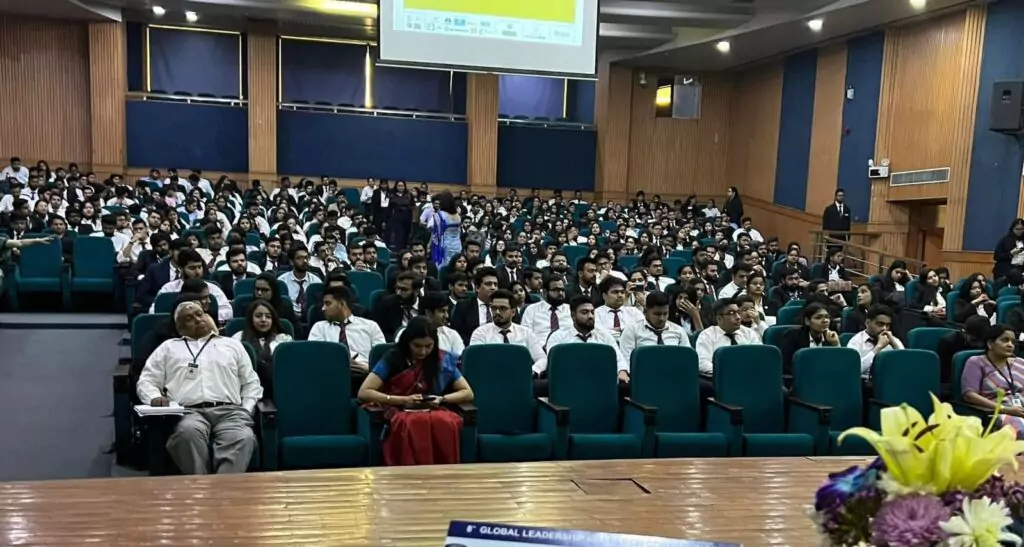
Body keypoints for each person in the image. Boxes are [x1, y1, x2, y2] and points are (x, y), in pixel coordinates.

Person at [136, 301, 262, 475]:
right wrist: (153, 397)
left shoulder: (231, 345)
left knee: (243, 437)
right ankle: (200, 488)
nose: (198, 319)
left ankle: (222, 490)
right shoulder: (168, 348)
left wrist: (246, 409)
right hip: (188, 412)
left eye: (200, 314)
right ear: (180, 328)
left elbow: (251, 383)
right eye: (189, 318)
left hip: (231, 412)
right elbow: (146, 380)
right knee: (186, 435)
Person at [357, 316, 474, 465]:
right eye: (417, 346)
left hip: (433, 409)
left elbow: (467, 392)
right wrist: (403, 400)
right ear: (407, 342)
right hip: (400, 409)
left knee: (446, 422)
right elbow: (364, 392)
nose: (423, 351)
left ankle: (444, 474)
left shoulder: (442, 359)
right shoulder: (393, 358)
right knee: (411, 423)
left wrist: (442, 399)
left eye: (428, 346)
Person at [309, 285, 386, 394]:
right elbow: (315, 358)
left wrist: (368, 370)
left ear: (342, 304)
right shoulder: (319, 327)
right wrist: (340, 365)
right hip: (331, 379)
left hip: (366, 378)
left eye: (328, 304)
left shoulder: (370, 326)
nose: (323, 308)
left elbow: (382, 357)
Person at [546, 296, 630, 384]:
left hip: (601, 382)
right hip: (569, 383)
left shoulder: (604, 336)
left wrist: (622, 372)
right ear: (573, 315)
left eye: (592, 312)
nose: (590, 316)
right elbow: (555, 365)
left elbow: (619, 359)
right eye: (584, 312)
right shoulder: (558, 337)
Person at [961, 324, 1024, 438]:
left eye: (1013, 342)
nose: (1010, 345)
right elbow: (969, 395)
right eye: (1005, 340)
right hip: (997, 412)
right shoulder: (976, 362)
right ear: (990, 343)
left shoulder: (1020, 363)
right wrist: (1005, 409)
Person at [469, 289, 547, 377]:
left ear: (513, 312)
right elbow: (475, 360)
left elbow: (542, 358)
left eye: (503, 308)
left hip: (521, 378)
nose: (497, 312)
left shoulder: (526, 333)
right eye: (494, 308)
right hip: (491, 378)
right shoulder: (480, 333)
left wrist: (532, 371)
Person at [151, 248, 233, 324]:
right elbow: (152, 311)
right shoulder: (168, 288)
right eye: (192, 268)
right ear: (181, 269)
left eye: (199, 267)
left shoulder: (213, 288)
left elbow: (228, 312)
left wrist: (203, 317)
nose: (197, 272)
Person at [232, 299, 292, 399]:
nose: (263, 319)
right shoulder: (238, 339)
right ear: (251, 318)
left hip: (278, 389)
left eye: (268, 316)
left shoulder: (284, 339)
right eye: (258, 316)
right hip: (244, 389)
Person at [695, 297, 763, 376]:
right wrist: (729, 372)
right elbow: (702, 363)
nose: (738, 317)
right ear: (719, 318)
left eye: (738, 312)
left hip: (749, 376)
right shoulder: (707, 335)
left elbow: (760, 356)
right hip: (721, 379)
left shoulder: (748, 333)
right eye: (731, 313)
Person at [619, 291, 690, 358]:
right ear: (646, 311)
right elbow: (626, 360)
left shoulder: (679, 331)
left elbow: (687, 358)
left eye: (665, 313)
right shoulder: (632, 331)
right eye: (657, 314)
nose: (662, 318)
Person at [396, 291, 464, 358]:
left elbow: (459, 361)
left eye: (447, 311)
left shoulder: (452, 334)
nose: (446, 316)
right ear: (428, 312)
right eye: (442, 311)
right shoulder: (405, 333)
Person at [778, 302, 840, 375]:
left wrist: (836, 344)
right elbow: (786, 367)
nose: (825, 320)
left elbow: (839, 366)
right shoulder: (793, 336)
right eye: (818, 317)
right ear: (807, 321)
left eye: (827, 317)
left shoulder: (831, 338)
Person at [845, 305, 905, 378]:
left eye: (887, 325)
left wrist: (894, 344)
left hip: (889, 382)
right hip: (863, 384)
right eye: (880, 324)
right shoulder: (856, 341)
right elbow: (853, 370)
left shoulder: (892, 340)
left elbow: (906, 365)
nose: (884, 328)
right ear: (867, 323)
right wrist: (877, 348)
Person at [449, 267, 499, 344]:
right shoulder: (463, 307)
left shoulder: (505, 307)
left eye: (495, 284)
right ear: (477, 287)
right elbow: (457, 333)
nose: (493, 288)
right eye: (488, 284)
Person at [519, 274, 572, 345]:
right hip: (539, 350)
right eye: (555, 290)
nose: (560, 293)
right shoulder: (532, 310)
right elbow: (524, 335)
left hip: (567, 349)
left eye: (562, 290)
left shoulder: (571, 310)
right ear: (545, 292)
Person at [937, 315, 989, 385]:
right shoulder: (948, 342)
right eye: (975, 340)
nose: (979, 345)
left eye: (982, 340)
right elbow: (946, 372)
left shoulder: (990, 341)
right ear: (964, 333)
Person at [277, 245, 323, 316]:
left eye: (306, 258)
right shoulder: (282, 280)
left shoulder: (316, 281)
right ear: (291, 262)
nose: (304, 261)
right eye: (299, 258)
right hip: (289, 316)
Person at [595, 276, 644, 341]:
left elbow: (643, 331)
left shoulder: (634, 312)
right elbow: (600, 335)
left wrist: (616, 331)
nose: (620, 295)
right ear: (604, 295)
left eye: (622, 292)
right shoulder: (596, 313)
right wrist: (628, 331)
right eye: (615, 292)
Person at [428, 191, 461, 269]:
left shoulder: (439, 215)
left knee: (444, 267)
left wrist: (430, 247)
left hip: (444, 245)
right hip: (457, 244)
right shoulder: (458, 216)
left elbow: (437, 234)